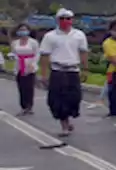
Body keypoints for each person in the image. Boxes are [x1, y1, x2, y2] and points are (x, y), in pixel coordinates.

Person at [37, 8, 89, 137]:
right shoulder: (50, 36)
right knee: (58, 100)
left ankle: (69, 117)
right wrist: (44, 75)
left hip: (73, 70)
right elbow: (44, 56)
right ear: (57, 20)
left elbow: (83, 52)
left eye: (68, 18)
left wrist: (85, 69)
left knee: (74, 98)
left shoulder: (79, 35)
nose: (65, 21)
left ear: (72, 20)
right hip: (57, 70)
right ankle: (64, 124)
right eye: (62, 19)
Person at [7, 25, 39, 115]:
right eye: (21, 30)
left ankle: (29, 106)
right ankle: (23, 106)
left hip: (30, 65)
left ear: (28, 31)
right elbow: (13, 53)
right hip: (19, 65)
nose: (23, 31)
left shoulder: (33, 42)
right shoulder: (15, 43)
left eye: (24, 29)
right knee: (21, 87)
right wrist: (11, 57)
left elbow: (37, 54)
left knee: (29, 87)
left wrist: (33, 64)